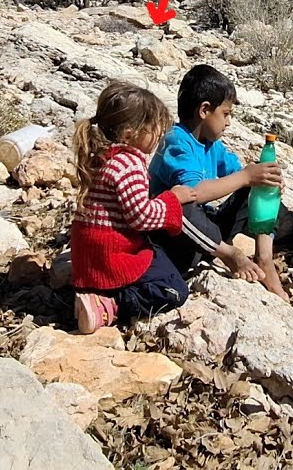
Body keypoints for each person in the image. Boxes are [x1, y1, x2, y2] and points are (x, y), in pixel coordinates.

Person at [149, 64, 290, 300]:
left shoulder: (211, 145)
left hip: (202, 239)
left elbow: (243, 176)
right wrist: (246, 176)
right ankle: (230, 255)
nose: (229, 122)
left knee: (260, 189)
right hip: (172, 242)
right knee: (180, 204)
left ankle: (264, 259)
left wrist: (263, 181)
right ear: (205, 110)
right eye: (225, 114)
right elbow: (193, 192)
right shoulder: (176, 142)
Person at [68, 81, 199, 334]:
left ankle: (95, 294)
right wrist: (173, 199)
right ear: (130, 134)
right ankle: (110, 304)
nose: (158, 135)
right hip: (112, 256)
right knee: (174, 289)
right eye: (152, 129)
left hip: (89, 256)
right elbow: (142, 217)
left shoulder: (103, 157)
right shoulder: (128, 164)